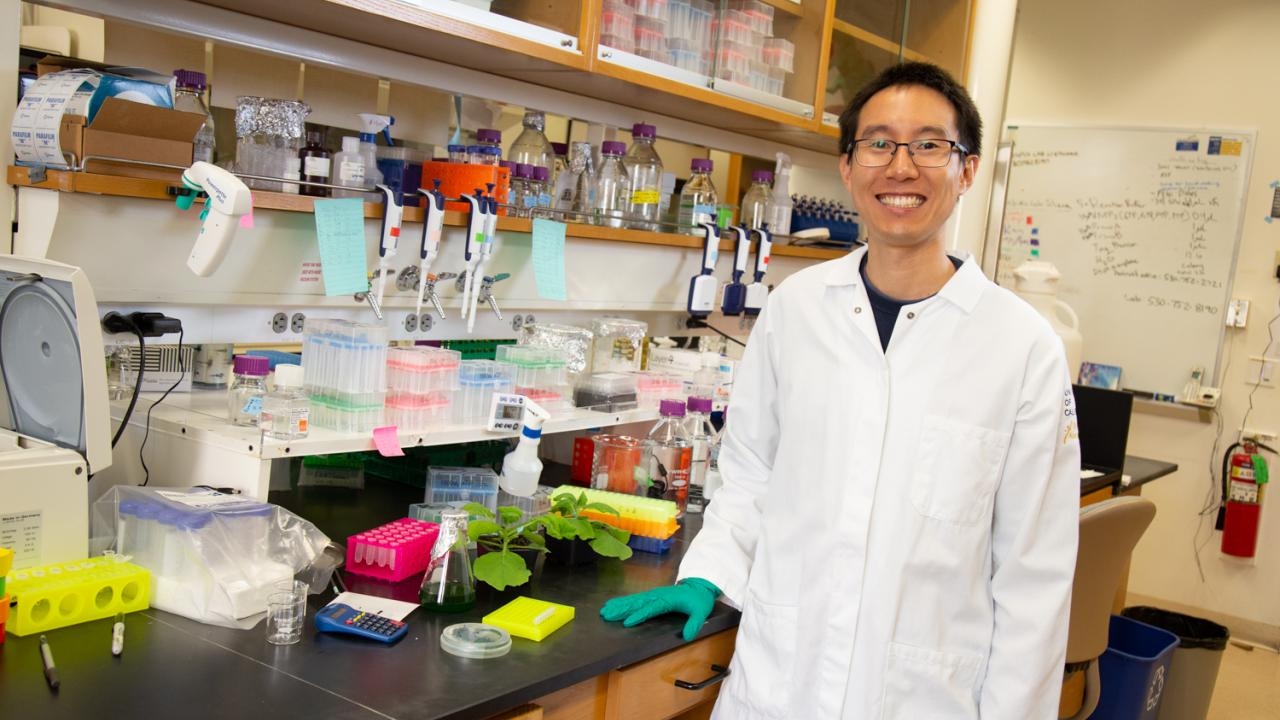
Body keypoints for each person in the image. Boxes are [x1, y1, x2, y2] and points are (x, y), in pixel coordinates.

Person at [600, 61, 1080, 719]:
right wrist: (710, 571)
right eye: (879, 143)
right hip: (779, 686)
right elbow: (750, 477)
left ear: (967, 170)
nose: (901, 166)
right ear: (848, 168)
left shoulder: (1022, 347)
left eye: (929, 145)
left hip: (923, 698)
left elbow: (1034, 578)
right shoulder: (796, 311)